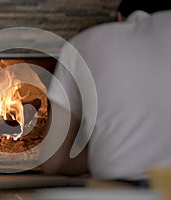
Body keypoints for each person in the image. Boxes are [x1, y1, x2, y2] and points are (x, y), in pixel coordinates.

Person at [42, 0, 171, 182]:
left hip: (123, 188)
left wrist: (105, 151)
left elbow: (54, 161)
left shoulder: (83, 43)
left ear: (119, 17)